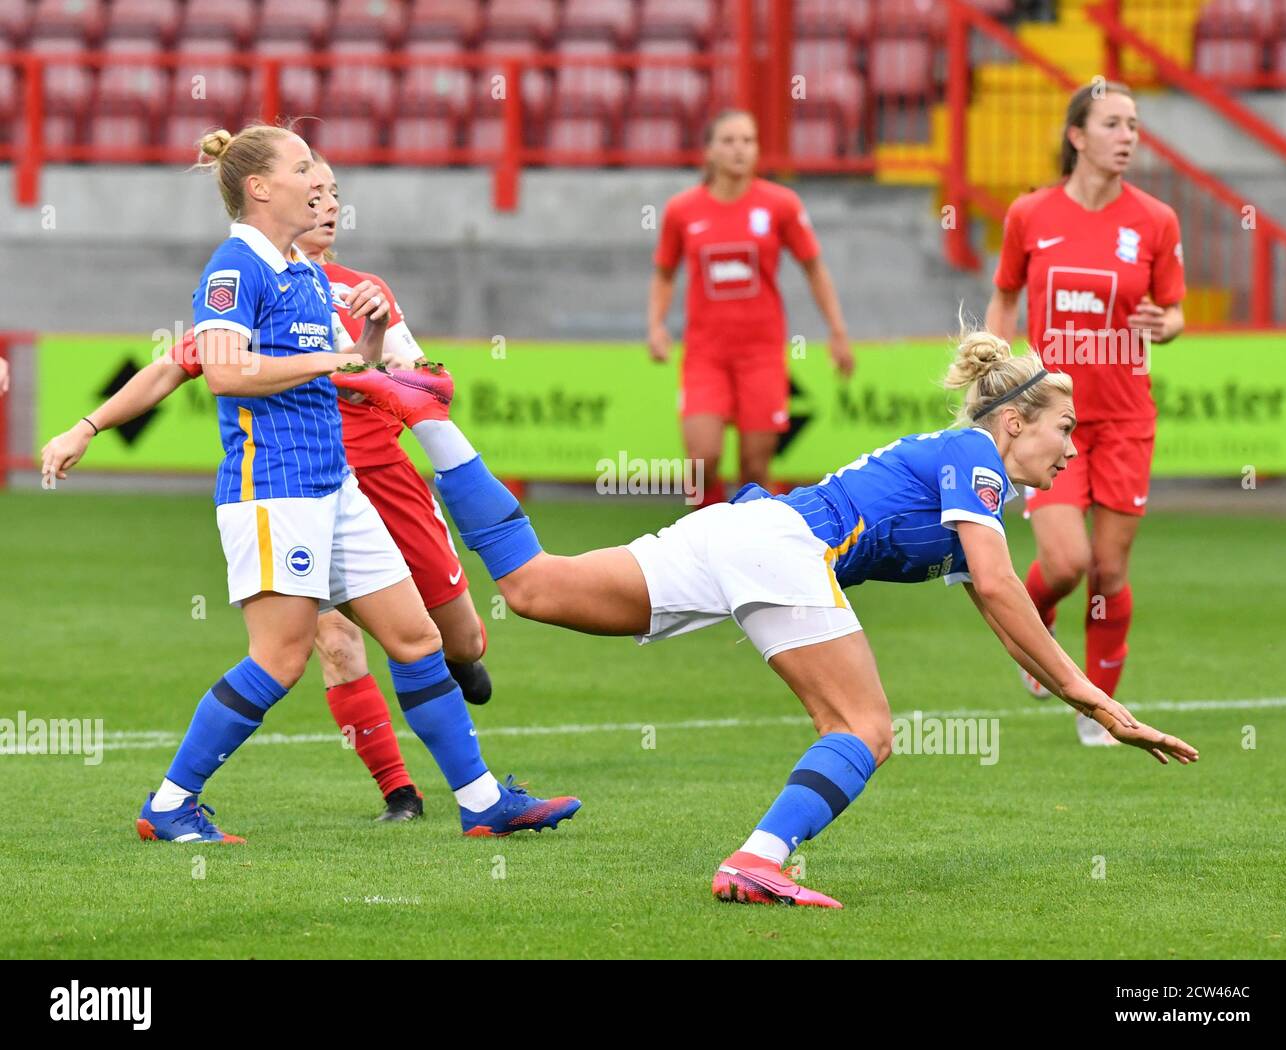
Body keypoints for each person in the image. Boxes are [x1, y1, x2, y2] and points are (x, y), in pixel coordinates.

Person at [335, 328, 1199, 909]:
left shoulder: (973, 477)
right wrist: (1093, 697)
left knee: (531, 586)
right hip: (782, 546)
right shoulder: (976, 460)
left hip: (742, 529)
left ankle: (430, 417)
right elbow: (1007, 591)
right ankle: (759, 860)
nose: (1073, 446)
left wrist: (1084, 695)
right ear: (1014, 422)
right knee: (863, 726)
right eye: (1064, 428)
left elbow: (998, 606)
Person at [102, 123, 578, 843]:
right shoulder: (235, 269)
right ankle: (170, 803)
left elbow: (346, 367)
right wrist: (331, 362)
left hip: (335, 487)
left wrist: (365, 343)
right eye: (303, 171)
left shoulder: (300, 273)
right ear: (261, 188)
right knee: (283, 657)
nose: (320, 188)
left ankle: (481, 800)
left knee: (417, 639)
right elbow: (226, 371)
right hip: (277, 490)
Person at [984, 81, 1185, 745]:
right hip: (1051, 419)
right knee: (1066, 563)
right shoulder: (1030, 215)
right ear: (1078, 136)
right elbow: (1006, 294)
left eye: (1134, 125)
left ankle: (1100, 707)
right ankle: (1034, 621)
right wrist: (995, 369)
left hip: (1127, 417)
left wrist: (1166, 322)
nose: (1128, 136)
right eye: (1113, 124)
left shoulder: (1154, 220)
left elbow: (1175, 311)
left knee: (1110, 571)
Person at [647, 109, 854, 507]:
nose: (740, 149)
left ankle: (751, 553)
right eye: (729, 140)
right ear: (708, 151)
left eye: (748, 140)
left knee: (755, 468)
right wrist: (656, 325)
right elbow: (664, 274)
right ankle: (698, 545)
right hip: (705, 355)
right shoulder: (682, 211)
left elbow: (814, 268)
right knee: (702, 459)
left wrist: (838, 332)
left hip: (761, 355)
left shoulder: (781, 205)